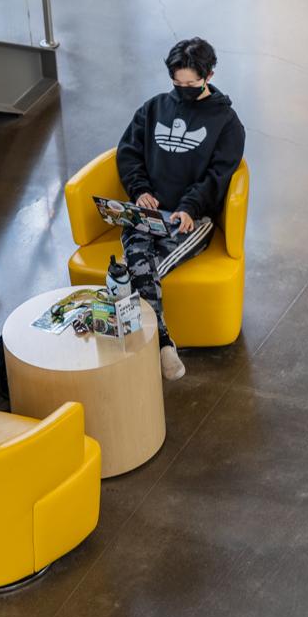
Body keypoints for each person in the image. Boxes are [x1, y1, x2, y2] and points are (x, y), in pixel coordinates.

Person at [116, 37, 245, 380]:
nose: (183, 89)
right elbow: (128, 152)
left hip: (191, 218)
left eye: (191, 84)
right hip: (147, 210)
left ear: (209, 75)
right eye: (177, 83)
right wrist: (140, 190)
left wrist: (189, 207)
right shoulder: (154, 108)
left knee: (132, 274)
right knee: (136, 262)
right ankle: (161, 343)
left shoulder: (227, 123)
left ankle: (147, 345)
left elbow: (219, 175)